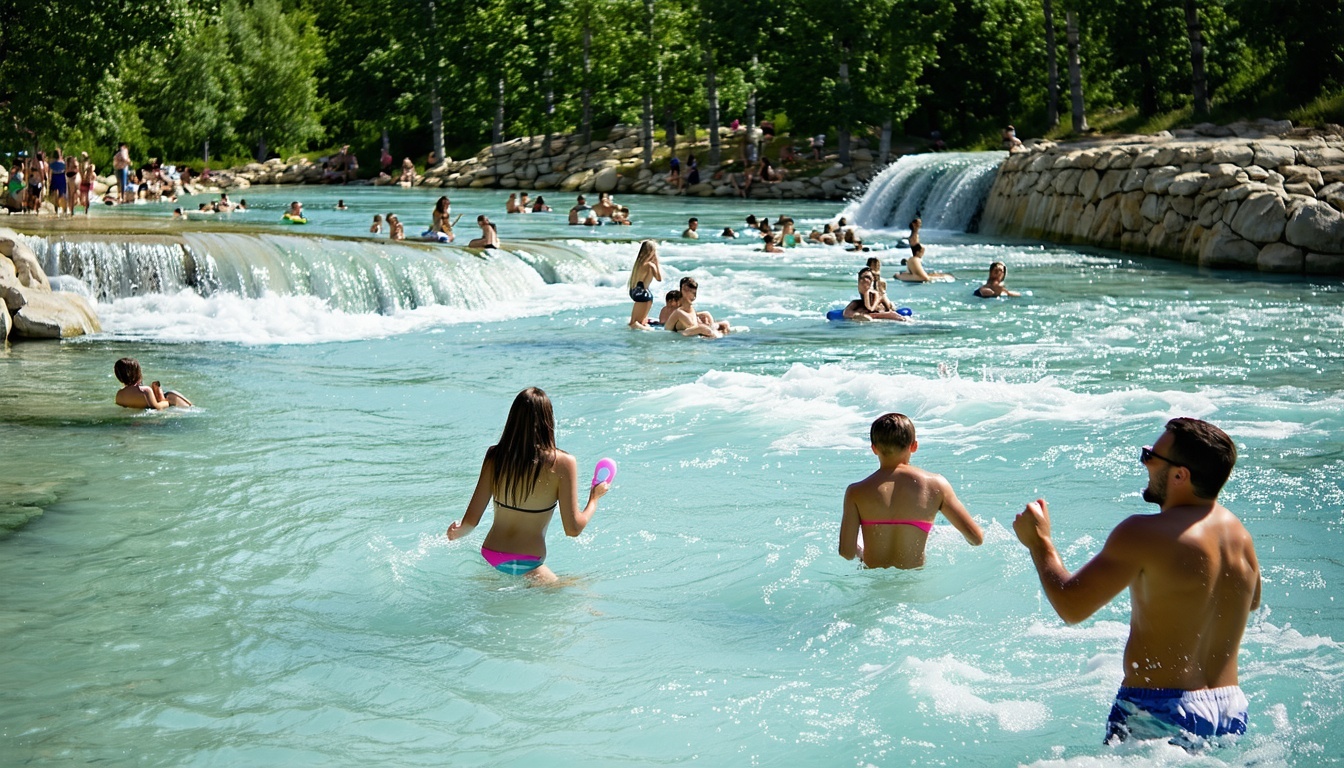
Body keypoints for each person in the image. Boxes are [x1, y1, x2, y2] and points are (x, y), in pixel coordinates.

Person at [1013, 418, 1260, 748]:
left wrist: (1039, 542)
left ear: (1179, 475)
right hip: (1230, 709)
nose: (1144, 461)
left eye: (1150, 455)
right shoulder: (1237, 533)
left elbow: (1071, 606)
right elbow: (1251, 600)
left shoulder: (1143, 533)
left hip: (1159, 710)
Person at [447, 387, 611, 586]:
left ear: (513, 419)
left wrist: (456, 532)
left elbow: (470, 523)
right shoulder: (563, 463)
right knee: (585, 588)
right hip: (527, 565)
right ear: (548, 420)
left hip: (490, 556)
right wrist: (594, 499)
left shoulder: (495, 456)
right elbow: (573, 529)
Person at [839, 413, 982, 568]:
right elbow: (976, 538)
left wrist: (862, 552)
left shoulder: (856, 492)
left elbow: (847, 552)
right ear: (914, 446)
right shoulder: (936, 485)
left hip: (873, 584)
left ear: (874, 448)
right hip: (913, 584)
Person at [114, 358, 193, 410]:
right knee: (171, 394)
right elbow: (156, 408)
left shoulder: (119, 394)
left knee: (163, 394)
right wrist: (167, 402)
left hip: (140, 410)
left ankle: (159, 394)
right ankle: (191, 406)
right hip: (154, 418)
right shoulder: (144, 390)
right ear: (137, 373)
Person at [843, 268, 908, 321]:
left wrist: (871, 315)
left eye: (867, 277)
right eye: (861, 278)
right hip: (864, 312)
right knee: (852, 308)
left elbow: (891, 310)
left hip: (879, 313)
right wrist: (857, 315)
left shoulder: (880, 296)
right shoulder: (856, 303)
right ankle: (858, 316)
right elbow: (846, 312)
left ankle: (863, 316)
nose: (863, 280)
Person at [627, 240, 663, 330]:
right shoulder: (650, 265)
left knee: (633, 322)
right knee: (637, 324)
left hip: (634, 291)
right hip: (644, 294)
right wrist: (656, 262)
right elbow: (659, 278)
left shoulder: (638, 264)